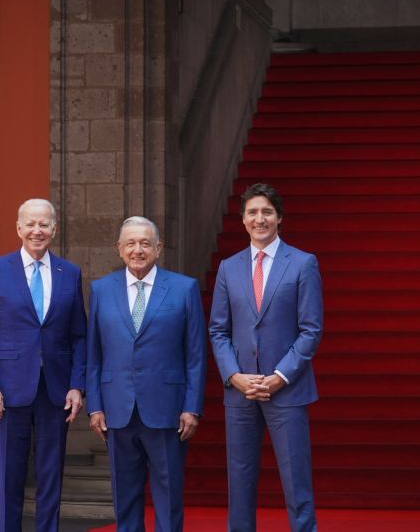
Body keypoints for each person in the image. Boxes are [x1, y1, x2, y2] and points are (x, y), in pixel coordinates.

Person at [208, 183, 323, 532]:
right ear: (243, 220)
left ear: (279, 218)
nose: (260, 219)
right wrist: (234, 375)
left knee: (296, 478)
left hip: (286, 388)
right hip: (241, 390)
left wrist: (280, 376)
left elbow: (311, 330)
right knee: (239, 482)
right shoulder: (229, 268)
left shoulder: (303, 263)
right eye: (253, 212)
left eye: (267, 212)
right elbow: (218, 330)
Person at [0, 199, 87, 532]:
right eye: (31, 224)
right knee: (10, 474)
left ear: (55, 228)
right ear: (19, 228)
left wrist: (77, 386)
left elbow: (79, 335)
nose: (38, 231)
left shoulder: (70, 272)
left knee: (52, 474)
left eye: (45, 224)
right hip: (7, 391)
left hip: (56, 390)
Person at [86, 216, 206, 532]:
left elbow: (195, 355)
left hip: (167, 408)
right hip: (117, 409)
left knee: (168, 495)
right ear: (119, 249)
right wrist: (95, 405)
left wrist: (191, 406)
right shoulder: (100, 289)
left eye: (144, 243)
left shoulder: (184, 288)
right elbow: (93, 354)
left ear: (158, 248)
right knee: (124, 495)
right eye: (130, 243)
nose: (137, 250)